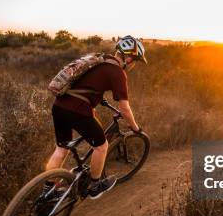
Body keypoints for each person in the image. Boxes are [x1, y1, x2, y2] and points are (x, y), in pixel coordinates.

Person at [44, 36, 147, 199]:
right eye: (135, 61)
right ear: (128, 58)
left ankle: (47, 191)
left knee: (61, 148)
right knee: (101, 146)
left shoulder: (100, 59)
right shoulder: (118, 72)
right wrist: (135, 128)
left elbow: (88, 83)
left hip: (59, 106)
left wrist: (100, 99)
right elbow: (125, 108)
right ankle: (95, 185)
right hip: (78, 110)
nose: (133, 65)